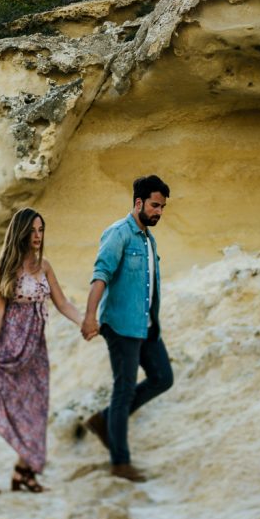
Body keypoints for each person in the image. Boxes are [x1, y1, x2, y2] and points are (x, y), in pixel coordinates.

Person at [0, 208, 83, 494]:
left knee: (36, 406)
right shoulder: (6, 266)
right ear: (21, 232)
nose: (37, 236)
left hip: (36, 348)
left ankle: (23, 471)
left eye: (41, 230)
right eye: (32, 230)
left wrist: (85, 322)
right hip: (9, 345)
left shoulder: (45, 266)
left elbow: (62, 303)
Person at [80, 175, 174, 482]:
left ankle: (105, 421)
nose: (159, 211)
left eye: (162, 207)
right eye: (154, 205)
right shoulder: (118, 233)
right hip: (120, 326)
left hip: (146, 325)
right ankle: (120, 462)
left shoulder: (148, 238)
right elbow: (101, 275)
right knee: (123, 390)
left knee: (162, 377)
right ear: (138, 202)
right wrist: (90, 316)